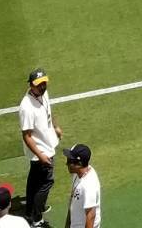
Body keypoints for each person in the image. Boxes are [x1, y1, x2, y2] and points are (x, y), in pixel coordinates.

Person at [18, 70, 60, 225]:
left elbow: (48, 110)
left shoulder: (43, 94)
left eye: (44, 83)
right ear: (31, 85)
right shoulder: (26, 107)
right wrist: (41, 155)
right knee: (46, 182)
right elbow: (27, 136)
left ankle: (30, 209)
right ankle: (36, 217)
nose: (43, 87)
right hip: (41, 151)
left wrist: (55, 126)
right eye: (39, 84)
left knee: (34, 179)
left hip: (47, 143)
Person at [63, 145, 100, 228]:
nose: (66, 163)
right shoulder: (78, 174)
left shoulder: (88, 185)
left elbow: (91, 215)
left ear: (79, 164)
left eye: (70, 161)